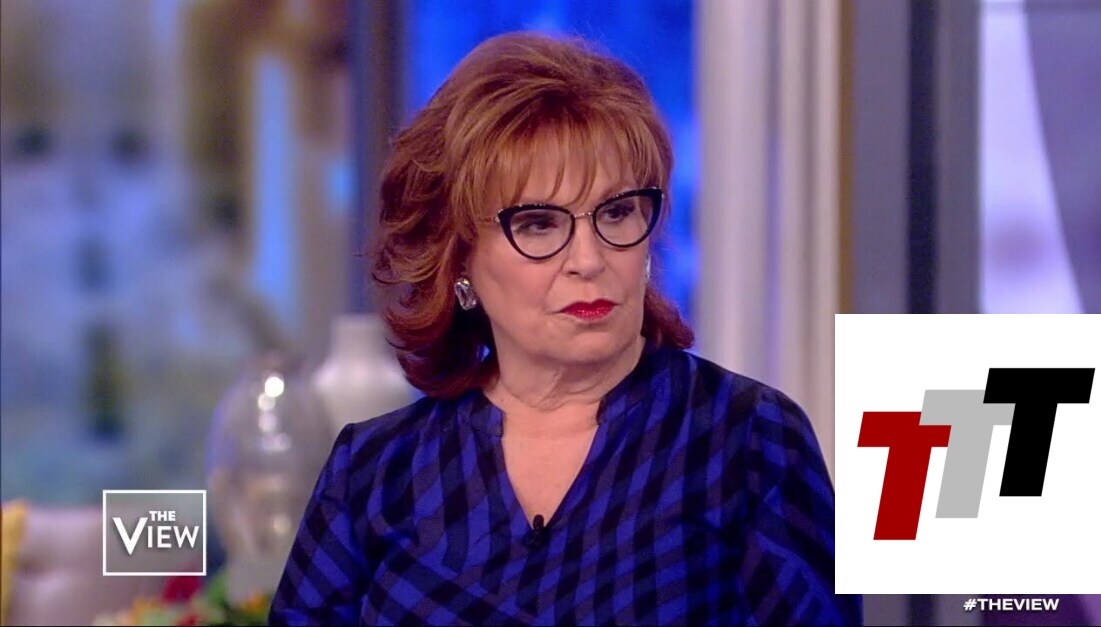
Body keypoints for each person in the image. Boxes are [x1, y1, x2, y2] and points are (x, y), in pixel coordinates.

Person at [270, 31, 862, 626]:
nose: (588, 259)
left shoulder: (749, 440)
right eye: (538, 224)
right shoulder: (374, 474)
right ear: (458, 257)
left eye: (617, 212)